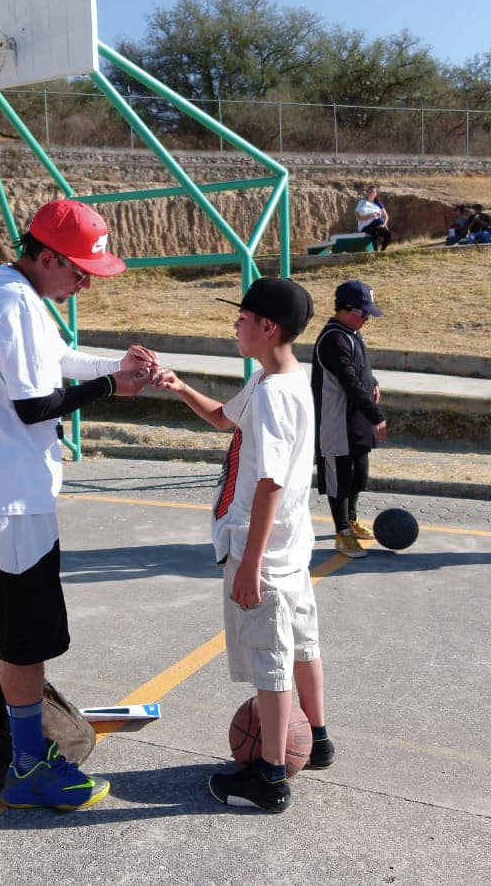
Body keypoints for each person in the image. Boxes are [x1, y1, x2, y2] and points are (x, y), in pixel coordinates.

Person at [0, 198, 155, 811]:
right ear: (44, 255)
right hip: (14, 499)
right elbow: (35, 404)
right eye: (78, 269)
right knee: (23, 637)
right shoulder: (13, 302)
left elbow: (57, 359)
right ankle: (30, 765)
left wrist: (114, 364)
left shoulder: (3, 288)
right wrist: (113, 387)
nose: (86, 280)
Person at [153, 277, 331, 814]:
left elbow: (270, 482)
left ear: (268, 326)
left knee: (269, 664)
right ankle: (317, 739)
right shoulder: (277, 378)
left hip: (265, 552)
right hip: (290, 547)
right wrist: (179, 386)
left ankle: (270, 778)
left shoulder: (275, 392)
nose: (236, 324)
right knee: (303, 644)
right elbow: (221, 419)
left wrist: (250, 563)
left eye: (243, 317)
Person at [311, 280, 388, 558]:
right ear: (345, 309)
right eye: (363, 313)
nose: (367, 318)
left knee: (360, 475)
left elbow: (359, 369)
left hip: (356, 421)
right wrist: (377, 416)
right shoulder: (333, 338)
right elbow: (349, 381)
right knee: (340, 480)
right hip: (336, 424)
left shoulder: (351, 333)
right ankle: (342, 533)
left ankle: (352, 520)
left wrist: (374, 380)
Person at [354, 184, 393, 251]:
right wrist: (370, 216)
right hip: (365, 226)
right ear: (367, 193)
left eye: (373, 192)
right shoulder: (362, 202)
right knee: (374, 233)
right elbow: (357, 216)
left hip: (377, 224)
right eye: (370, 192)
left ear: (376, 194)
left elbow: (386, 216)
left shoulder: (378, 204)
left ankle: (382, 251)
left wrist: (384, 224)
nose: (371, 194)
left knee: (388, 234)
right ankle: (375, 252)